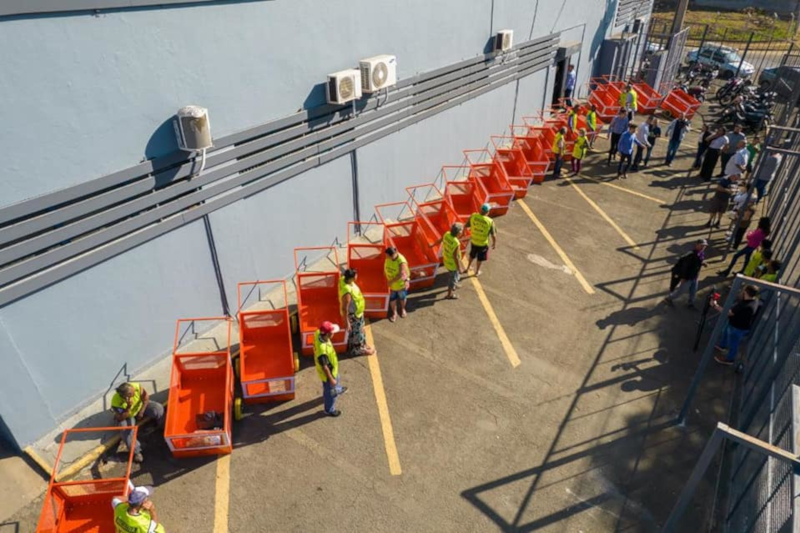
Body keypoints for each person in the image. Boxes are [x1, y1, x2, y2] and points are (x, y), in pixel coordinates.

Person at [111, 383, 165, 463]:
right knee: (125, 430)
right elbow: (120, 418)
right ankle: (136, 451)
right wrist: (128, 407)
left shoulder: (136, 387)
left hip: (140, 407)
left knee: (158, 409)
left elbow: (146, 398)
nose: (134, 394)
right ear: (126, 396)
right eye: (132, 394)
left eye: (134, 392)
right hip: (128, 415)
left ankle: (163, 426)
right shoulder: (116, 402)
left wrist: (142, 411)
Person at [713, 284, 761, 365]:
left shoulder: (745, 305)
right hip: (735, 323)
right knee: (725, 332)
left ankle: (729, 359)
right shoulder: (754, 301)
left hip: (738, 327)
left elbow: (728, 313)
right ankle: (722, 346)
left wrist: (715, 305)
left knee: (733, 344)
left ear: (745, 292)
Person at [338, 268, 375, 356]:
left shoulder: (344, 279)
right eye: (356, 275)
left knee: (360, 330)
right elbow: (344, 308)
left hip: (358, 313)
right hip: (353, 316)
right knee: (356, 333)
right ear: (352, 278)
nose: (357, 276)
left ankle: (362, 344)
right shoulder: (347, 292)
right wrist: (347, 321)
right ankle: (357, 350)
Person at [314, 321, 346, 416]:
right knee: (330, 393)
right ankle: (329, 410)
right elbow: (325, 367)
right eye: (332, 332)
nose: (333, 334)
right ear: (327, 334)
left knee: (337, 379)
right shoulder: (322, 351)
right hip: (328, 375)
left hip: (333, 370)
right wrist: (331, 379)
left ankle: (338, 388)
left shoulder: (318, 333)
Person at [664, 239, 707, 309]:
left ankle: (691, 303)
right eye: (701, 245)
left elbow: (696, 263)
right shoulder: (691, 255)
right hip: (688, 277)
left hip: (695, 276)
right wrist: (683, 278)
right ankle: (668, 298)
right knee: (681, 291)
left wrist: (702, 263)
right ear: (696, 245)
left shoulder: (701, 254)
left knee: (693, 290)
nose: (703, 247)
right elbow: (685, 267)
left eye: (704, 246)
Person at [432, 223, 466, 299]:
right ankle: (449, 294)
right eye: (461, 230)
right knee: (452, 279)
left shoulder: (447, 234)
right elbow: (456, 257)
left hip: (446, 260)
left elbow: (440, 240)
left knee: (454, 276)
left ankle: (455, 284)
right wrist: (459, 267)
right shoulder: (456, 243)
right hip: (453, 264)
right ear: (458, 232)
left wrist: (433, 245)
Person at [465, 204, 496, 277]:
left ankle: (468, 267)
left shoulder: (473, 216)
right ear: (488, 212)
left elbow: (466, 225)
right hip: (482, 244)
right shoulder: (490, 221)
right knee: (480, 258)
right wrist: (494, 243)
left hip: (474, 241)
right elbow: (493, 235)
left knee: (472, 255)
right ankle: (477, 272)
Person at [384, 246, 409, 322]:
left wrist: (390, 282)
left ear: (392, 255)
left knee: (402, 298)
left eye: (387, 256)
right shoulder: (389, 258)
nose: (386, 257)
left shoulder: (401, 262)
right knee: (392, 299)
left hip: (400, 285)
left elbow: (400, 275)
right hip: (391, 285)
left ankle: (402, 309)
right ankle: (394, 312)